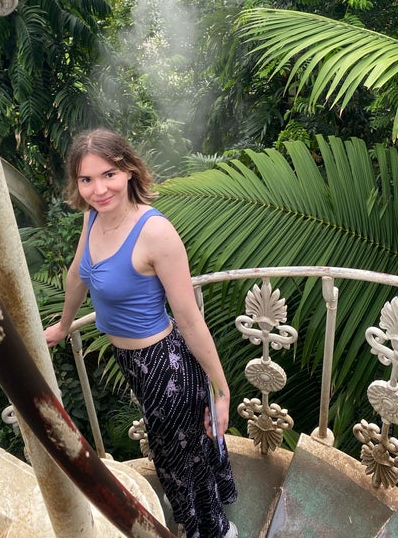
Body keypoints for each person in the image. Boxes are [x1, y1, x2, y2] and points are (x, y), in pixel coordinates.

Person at [44, 129, 238, 538]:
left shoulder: (155, 232)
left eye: (109, 174)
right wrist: (63, 325)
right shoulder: (92, 216)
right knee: (178, 453)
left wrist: (221, 392)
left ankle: (214, 531)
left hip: (165, 367)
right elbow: (78, 273)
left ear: (129, 171)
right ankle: (204, 519)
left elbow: (189, 318)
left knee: (179, 461)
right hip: (134, 363)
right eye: (86, 179)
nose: (99, 189)